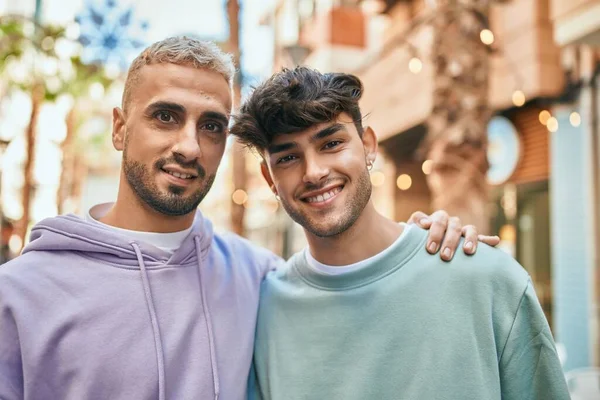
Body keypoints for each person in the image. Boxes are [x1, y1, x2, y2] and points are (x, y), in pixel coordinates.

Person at [0, 38, 493, 400]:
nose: (189, 146)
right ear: (119, 127)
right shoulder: (19, 296)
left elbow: (354, 290)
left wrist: (425, 243)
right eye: (165, 116)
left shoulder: (258, 277)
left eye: (211, 125)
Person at [231, 67, 570, 399]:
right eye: (289, 157)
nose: (314, 172)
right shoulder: (265, 310)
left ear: (368, 146)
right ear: (268, 179)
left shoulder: (488, 280)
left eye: (332, 143)